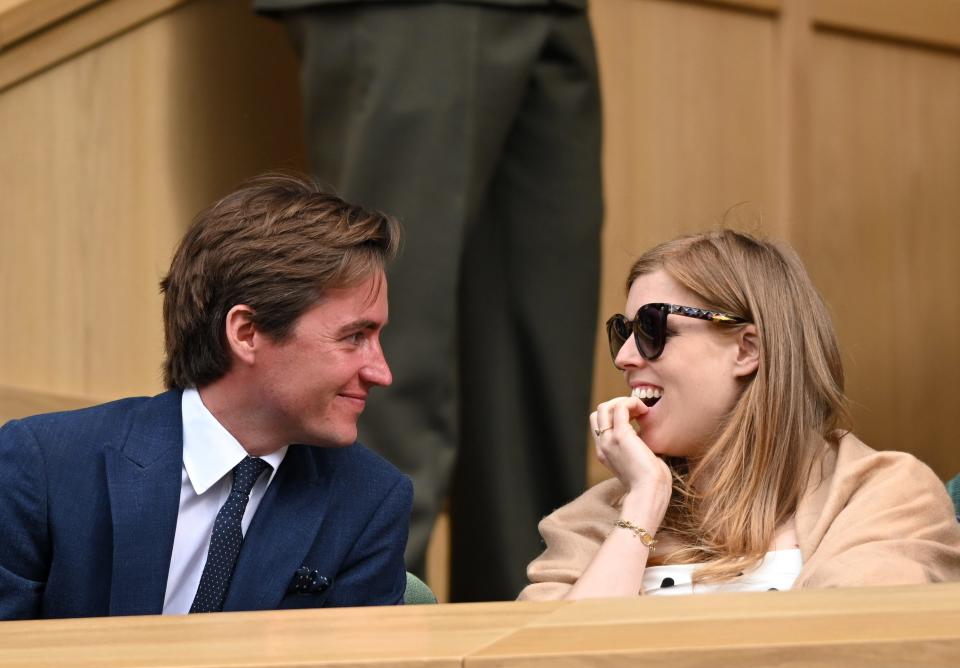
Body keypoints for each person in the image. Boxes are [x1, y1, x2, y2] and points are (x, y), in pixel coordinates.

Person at [253, 0, 602, 600]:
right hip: (413, 13)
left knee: (532, 372)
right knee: (380, 356)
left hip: (551, 10)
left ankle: (521, 662)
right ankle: (357, 652)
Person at [0, 172, 412, 620]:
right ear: (247, 333)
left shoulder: (369, 499)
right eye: (354, 337)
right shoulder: (42, 466)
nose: (381, 372)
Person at [520, 229, 960, 600]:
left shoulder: (882, 495)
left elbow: (849, 653)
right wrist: (642, 506)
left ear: (747, 349)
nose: (626, 357)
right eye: (625, 332)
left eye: (652, 329)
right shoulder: (594, 519)